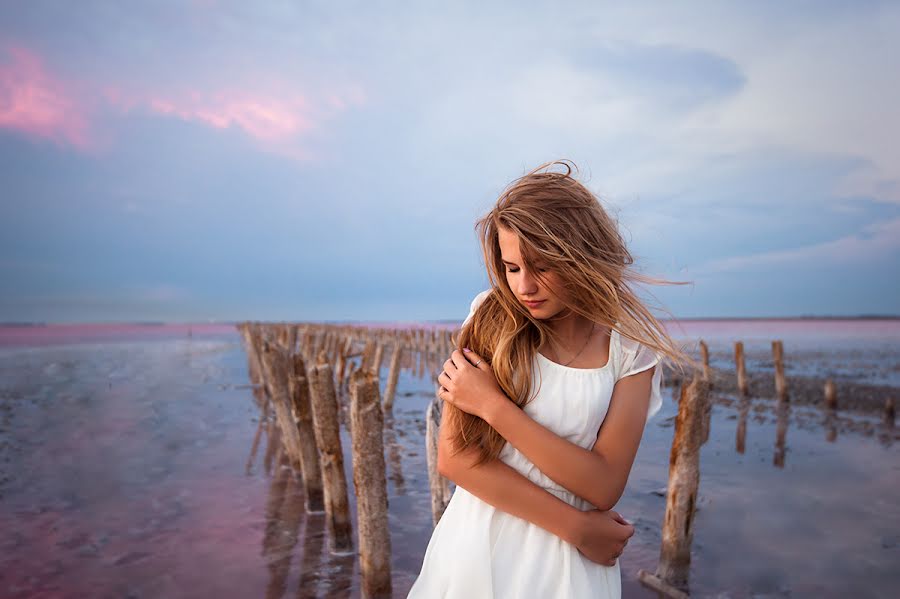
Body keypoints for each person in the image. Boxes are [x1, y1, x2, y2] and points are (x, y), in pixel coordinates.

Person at [407, 160, 694, 598]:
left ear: (579, 254)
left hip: (571, 570)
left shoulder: (629, 348)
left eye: (542, 266)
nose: (524, 287)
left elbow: (603, 485)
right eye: (512, 267)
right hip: (479, 548)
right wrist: (575, 526)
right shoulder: (490, 318)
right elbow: (456, 460)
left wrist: (493, 407)